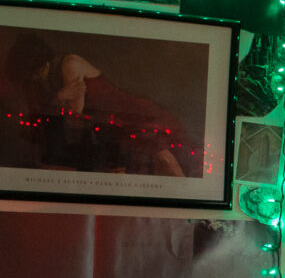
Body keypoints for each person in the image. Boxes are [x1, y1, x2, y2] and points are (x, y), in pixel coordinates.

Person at [2, 32, 200, 177]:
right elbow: (39, 118)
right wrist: (60, 96)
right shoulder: (35, 81)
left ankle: (190, 207)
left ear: (42, 62)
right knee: (129, 168)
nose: (34, 78)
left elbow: (73, 113)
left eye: (36, 72)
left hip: (130, 113)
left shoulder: (69, 64)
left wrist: (56, 101)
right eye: (29, 75)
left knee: (163, 157)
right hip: (107, 126)